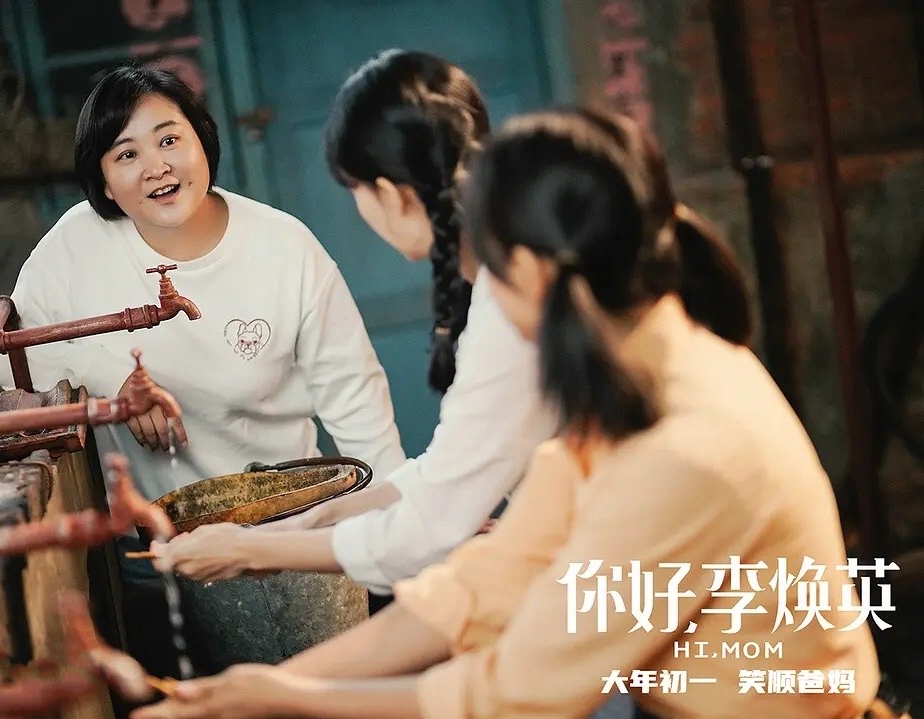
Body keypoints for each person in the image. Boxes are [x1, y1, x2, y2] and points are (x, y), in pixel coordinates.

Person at [132, 109, 882, 719]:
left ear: (526, 269)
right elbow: (493, 578)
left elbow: (519, 693)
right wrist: (278, 682)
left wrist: (286, 698)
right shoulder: (628, 376)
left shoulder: (686, 445)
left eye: (487, 269)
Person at [149, 50, 558, 601]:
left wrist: (250, 550)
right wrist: (307, 521)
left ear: (389, 194)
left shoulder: (512, 305)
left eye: (355, 191)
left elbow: (427, 530)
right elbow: (448, 471)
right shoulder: (514, 271)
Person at [0, 65, 406, 500]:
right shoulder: (78, 242)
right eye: (127, 155)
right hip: (145, 531)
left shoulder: (286, 248)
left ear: (202, 140)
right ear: (105, 183)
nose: (157, 167)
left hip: (285, 518)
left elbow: (357, 404)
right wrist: (112, 378)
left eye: (169, 140)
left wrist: (400, 517)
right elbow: (4, 357)